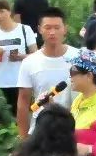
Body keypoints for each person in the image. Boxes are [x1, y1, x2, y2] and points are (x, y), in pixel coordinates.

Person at [16, 8, 78, 139]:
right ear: (39, 29)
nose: (52, 32)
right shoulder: (29, 62)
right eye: (47, 28)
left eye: (57, 27)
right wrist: (23, 138)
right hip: (41, 131)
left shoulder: (79, 57)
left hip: (74, 130)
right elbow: (23, 102)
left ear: (65, 29)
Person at [0, 0, 39, 115]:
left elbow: (36, 56)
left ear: (9, 12)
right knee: (2, 121)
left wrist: (20, 56)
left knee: (22, 118)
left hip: (22, 84)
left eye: (1, 11)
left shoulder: (24, 30)